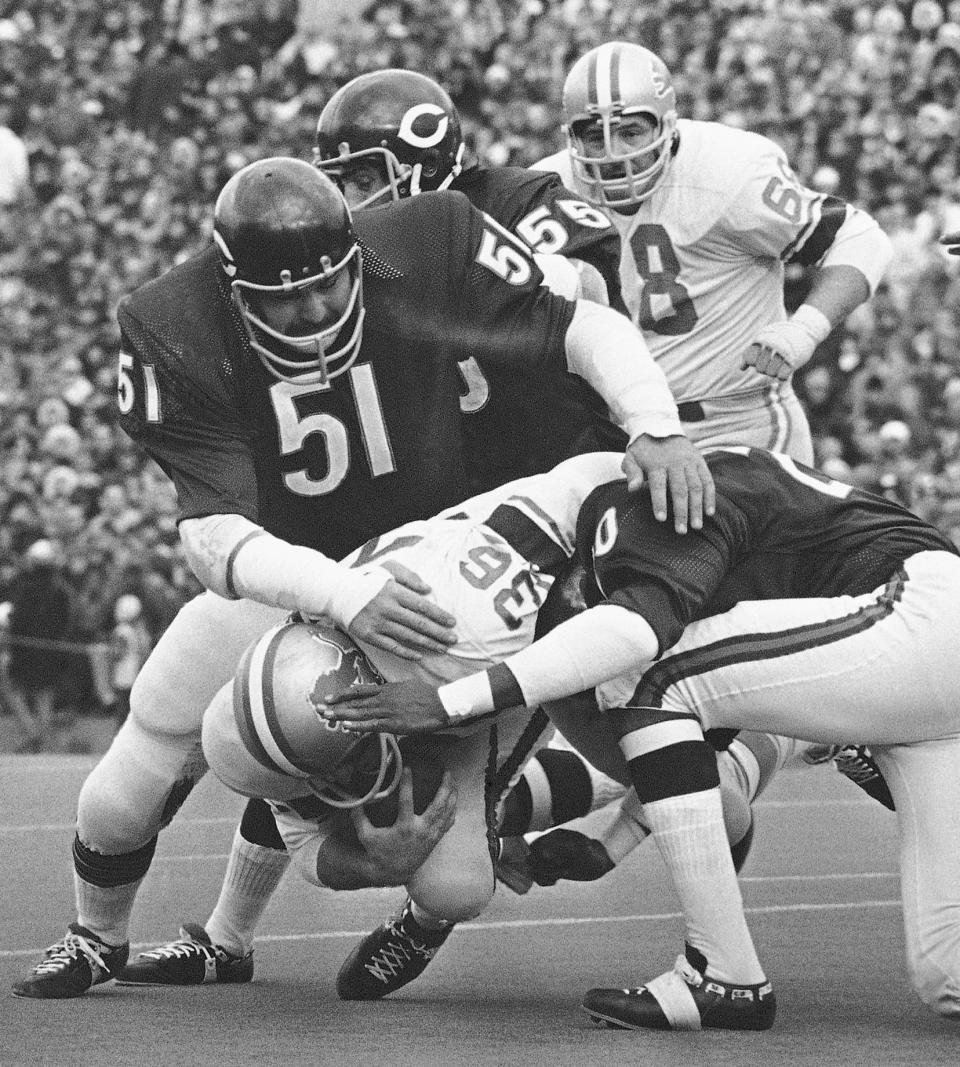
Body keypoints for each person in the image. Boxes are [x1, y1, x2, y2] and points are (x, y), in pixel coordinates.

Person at [12, 156, 710, 999]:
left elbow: (579, 327)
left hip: (438, 576)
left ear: (357, 254)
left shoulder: (430, 239)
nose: (313, 312)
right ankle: (97, 933)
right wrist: (345, 594)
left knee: (450, 880)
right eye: (283, 297)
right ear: (233, 289)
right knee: (132, 776)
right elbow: (211, 534)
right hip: (294, 574)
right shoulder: (173, 321)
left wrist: (655, 425)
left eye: (328, 286)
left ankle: (400, 903)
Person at [326, 447, 960, 1028]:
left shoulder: (659, 500)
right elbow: (690, 764)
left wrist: (446, 701)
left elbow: (634, 640)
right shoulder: (742, 571)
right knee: (946, 971)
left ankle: (723, 975)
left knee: (651, 682)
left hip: (917, 614)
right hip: (920, 676)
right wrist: (612, 845)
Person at [197, 451, 758, 1002]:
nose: (319, 797)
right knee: (426, 856)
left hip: (554, 613)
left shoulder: (463, 625)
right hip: (454, 678)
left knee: (683, 773)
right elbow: (307, 846)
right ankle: (478, 842)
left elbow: (580, 494)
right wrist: (374, 863)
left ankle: (781, 746)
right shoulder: (295, 689)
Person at [530, 41, 892, 465]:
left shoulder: (727, 171)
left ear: (667, 124)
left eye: (630, 132)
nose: (616, 154)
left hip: (737, 424)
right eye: (595, 136)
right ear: (570, 137)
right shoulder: (544, 191)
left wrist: (805, 329)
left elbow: (860, 236)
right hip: (617, 434)